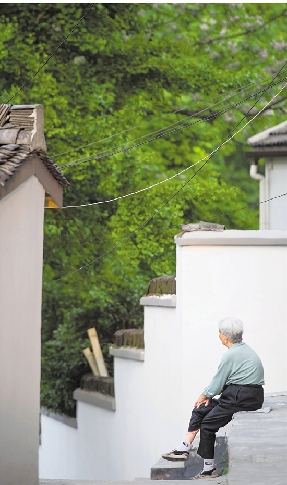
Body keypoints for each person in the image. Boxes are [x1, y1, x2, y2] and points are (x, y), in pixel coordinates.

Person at [162, 317, 264, 480]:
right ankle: (184, 447)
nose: (219, 335)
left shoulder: (230, 355)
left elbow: (218, 382)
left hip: (241, 396)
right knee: (200, 409)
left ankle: (209, 469)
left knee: (208, 425)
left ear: (225, 336)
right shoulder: (244, 349)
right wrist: (206, 398)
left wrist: (204, 395)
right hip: (239, 395)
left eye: (220, 333)